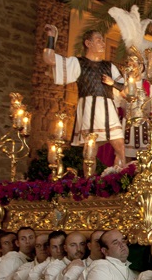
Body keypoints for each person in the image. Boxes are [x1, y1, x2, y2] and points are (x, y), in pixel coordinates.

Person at [43, 27, 126, 175]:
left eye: (102, 39)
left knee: (120, 146)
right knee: (90, 151)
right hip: (88, 110)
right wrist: (51, 37)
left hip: (108, 110)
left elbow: (126, 90)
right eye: (98, 40)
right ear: (88, 43)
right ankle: (89, 184)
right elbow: (49, 59)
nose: (102, 43)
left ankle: (120, 181)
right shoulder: (78, 62)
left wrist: (112, 83)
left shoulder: (110, 66)